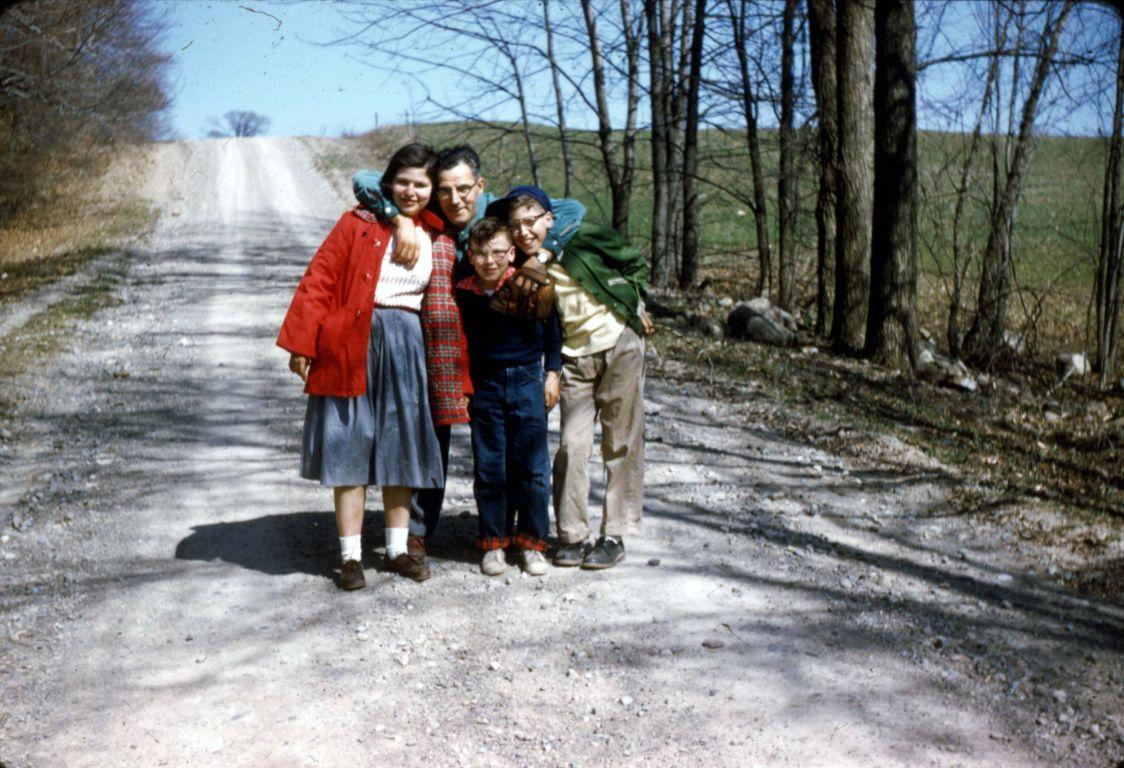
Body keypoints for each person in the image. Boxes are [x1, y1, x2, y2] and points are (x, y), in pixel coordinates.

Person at [350, 146, 583, 546]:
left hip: (500, 354)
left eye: (463, 189)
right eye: (444, 190)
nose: (455, 200)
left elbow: (571, 209)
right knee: (431, 434)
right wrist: (398, 220)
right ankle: (419, 531)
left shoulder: (500, 213)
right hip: (439, 344)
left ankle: (513, 533)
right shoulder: (430, 216)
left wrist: (541, 254)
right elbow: (365, 180)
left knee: (509, 450)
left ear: (480, 185)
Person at [277, 142, 466, 590]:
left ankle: (398, 550)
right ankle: (351, 558)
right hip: (352, 343)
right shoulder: (357, 223)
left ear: (432, 189)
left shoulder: (440, 235)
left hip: (408, 346)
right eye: (402, 181)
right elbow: (319, 278)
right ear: (389, 183)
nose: (411, 191)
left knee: (401, 447)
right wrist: (302, 342)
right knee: (350, 445)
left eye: (421, 184)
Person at [485, 186, 653, 570]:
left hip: (619, 343)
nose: (525, 231)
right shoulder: (519, 263)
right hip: (573, 358)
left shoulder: (579, 234)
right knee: (571, 446)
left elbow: (632, 262)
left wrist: (636, 302)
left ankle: (614, 533)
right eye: (516, 225)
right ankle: (572, 535)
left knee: (621, 441)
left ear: (549, 218)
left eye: (533, 221)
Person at [454, 217, 562, 576]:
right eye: (481, 253)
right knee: (490, 467)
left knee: (531, 468)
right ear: (470, 254)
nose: (489, 261)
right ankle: (494, 543)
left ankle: (532, 543)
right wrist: (466, 388)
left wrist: (553, 372)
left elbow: (552, 329)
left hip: (528, 378)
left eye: (498, 252)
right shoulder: (464, 292)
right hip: (485, 385)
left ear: (511, 252)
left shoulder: (527, 282)